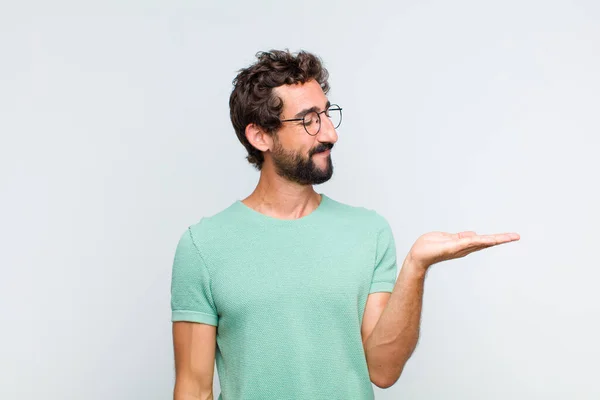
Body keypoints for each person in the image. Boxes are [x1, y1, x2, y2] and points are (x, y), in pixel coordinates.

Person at [170, 49, 520, 400]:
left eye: (326, 114)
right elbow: (193, 388)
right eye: (309, 120)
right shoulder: (203, 246)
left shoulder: (368, 232)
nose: (330, 134)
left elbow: (382, 370)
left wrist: (416, 266)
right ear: (261, 136)